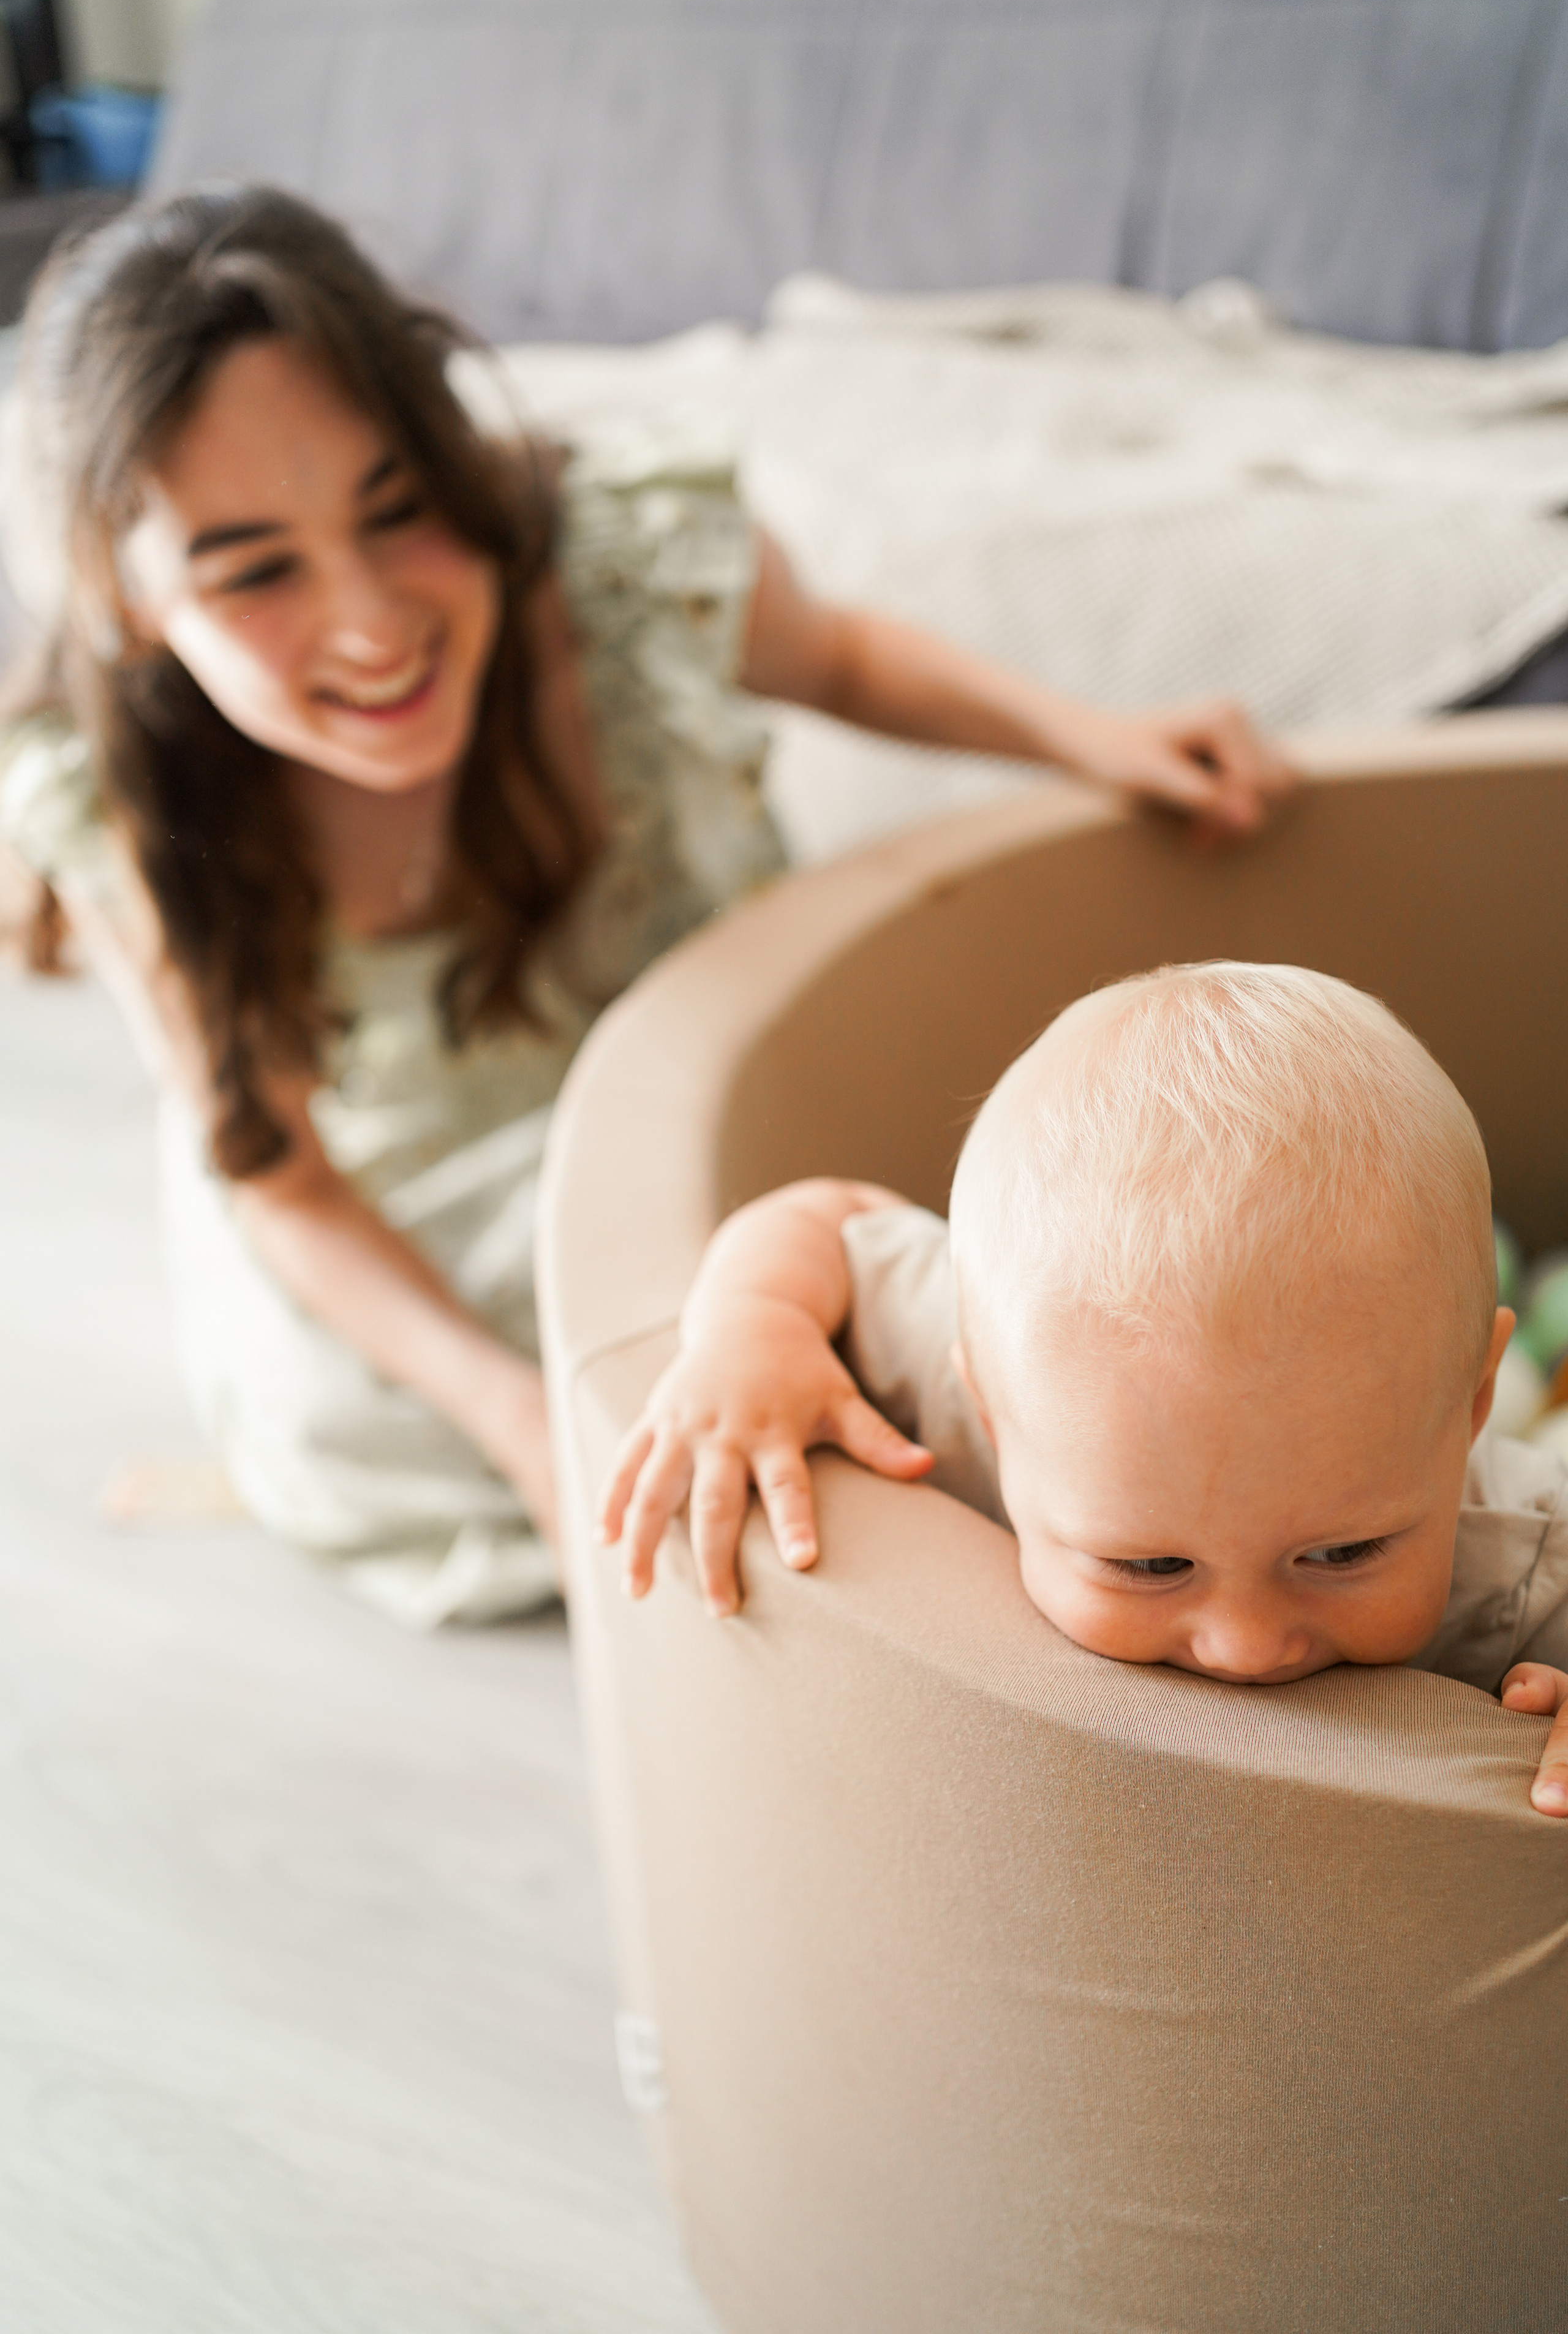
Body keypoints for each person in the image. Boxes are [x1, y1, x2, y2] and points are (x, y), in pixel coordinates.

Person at [0, 186, 1294, 1626]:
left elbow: (847, 658)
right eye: (254, 572)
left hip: (718, 1127)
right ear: (128, 603)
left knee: (911, 1318)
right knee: (404, 1430)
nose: (369, 623)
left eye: (399, 508)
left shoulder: (610, 570)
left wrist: (1087, 736)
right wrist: (518, 1424)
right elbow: (279, 1174)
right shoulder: (121, 801)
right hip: (425, 1239)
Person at [599, 962, 1568, 1814]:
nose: (1246, 1645)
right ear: (982, 1396)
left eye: (1342, 1552)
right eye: (1151, 1567)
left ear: (1474, 1400)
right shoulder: (1014, 1353)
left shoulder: (1527, 1550)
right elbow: (831, 1217)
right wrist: (754, 1323)